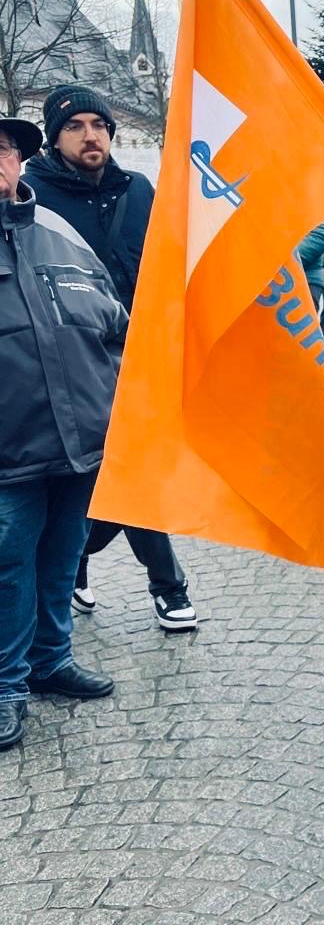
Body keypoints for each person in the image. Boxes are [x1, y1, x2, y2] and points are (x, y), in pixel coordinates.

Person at [23, 86, 197, 632]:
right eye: (75, 126)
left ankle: (81, 565)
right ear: (54, 138)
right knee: (107, 475)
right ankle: (165, 586)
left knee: (135, 469)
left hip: (143, 357)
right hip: (74, 362)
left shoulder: (142, 190)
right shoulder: (35, 199)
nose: (91, 134)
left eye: (99, 124)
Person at [0, 116, 126, 751]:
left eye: (3, 150)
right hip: (7, 450)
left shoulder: (59, 232)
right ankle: (4, 685)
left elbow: (112, 324)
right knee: (6, 564)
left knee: (60, 556)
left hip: (79, 442)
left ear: (20, 160)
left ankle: (51, 659)